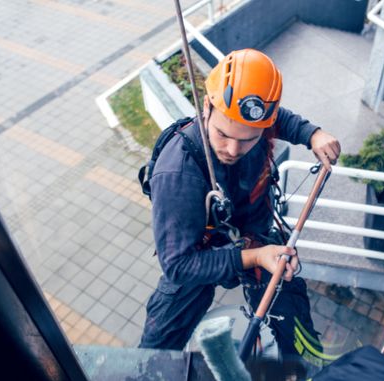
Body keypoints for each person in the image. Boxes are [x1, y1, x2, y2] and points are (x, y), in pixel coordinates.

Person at [138, 49, 341, 360]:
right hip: (200, 251)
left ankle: (299, 367)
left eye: (249, 139)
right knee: (156, 347)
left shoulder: (253, 122)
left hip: (251, 232)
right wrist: (256, 256)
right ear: (206, 107)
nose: (233, 149)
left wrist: (311, 133)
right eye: (222, 134)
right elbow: (178, 265)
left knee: (289, 308)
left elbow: (278, 119)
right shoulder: (178, 173)